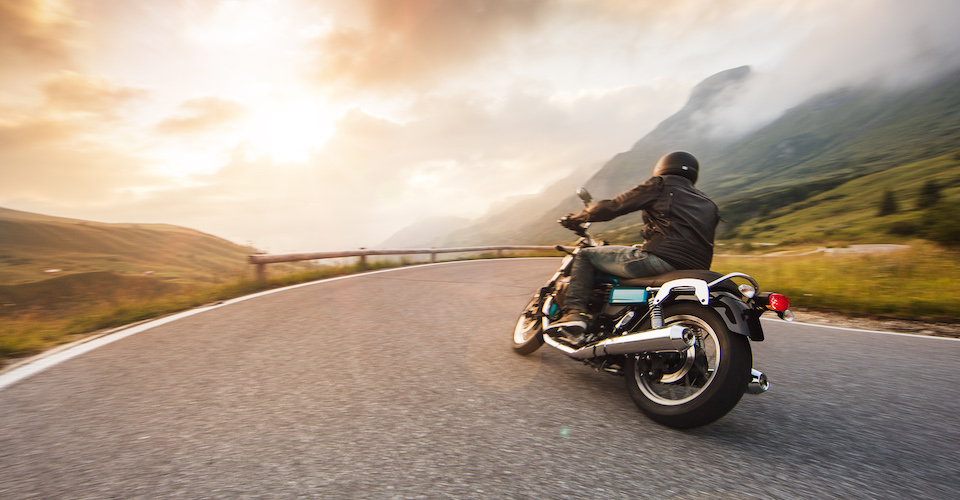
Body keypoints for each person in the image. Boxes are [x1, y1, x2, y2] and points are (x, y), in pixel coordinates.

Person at [548, 151, 720, 345]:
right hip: (695, 269)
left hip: (661, 259)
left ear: (663, 167)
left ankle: (574, 314)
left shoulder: (660, 185)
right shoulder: (708, 203)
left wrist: (578, 218)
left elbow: (614, 206)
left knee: (586, 256)